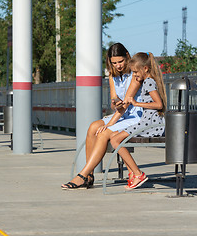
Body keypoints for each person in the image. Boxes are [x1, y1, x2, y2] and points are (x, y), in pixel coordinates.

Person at [61, 43, 143, 190]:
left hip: (135, 116)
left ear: (127, 56)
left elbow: (125, 106)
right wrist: (115, 103)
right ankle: (90, 176)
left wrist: (110, 124)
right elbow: (115, 103)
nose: (118, 66)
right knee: (93, 127)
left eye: (120, 61)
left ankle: (82, 175)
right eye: (114, 63)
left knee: (104, 133)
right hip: (121, 114)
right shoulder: (113, 75)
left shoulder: (135, 74)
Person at [109, 52, 167, 190]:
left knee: (115, 140)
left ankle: (137, 173)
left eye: (135, 72)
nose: (134, 75)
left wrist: (136, 103)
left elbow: (159, 105)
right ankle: (133, 173)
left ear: (145, 69)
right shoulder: (148, 81)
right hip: (146, 122)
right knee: (113, 136)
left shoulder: (148, 82)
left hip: (150, 124)